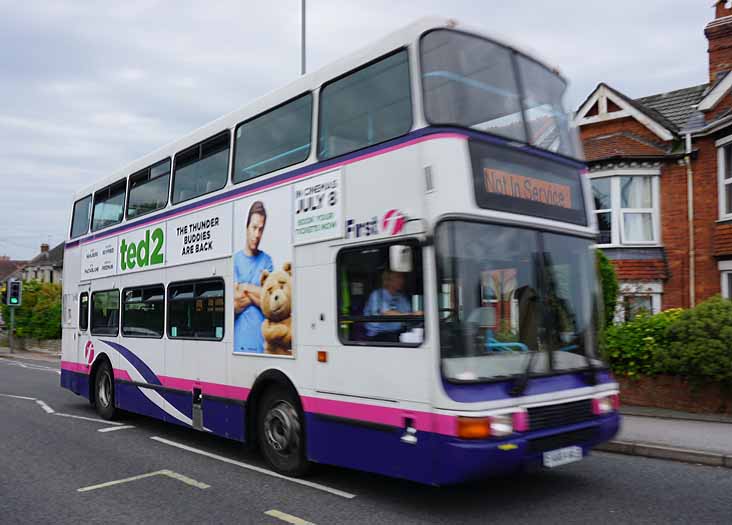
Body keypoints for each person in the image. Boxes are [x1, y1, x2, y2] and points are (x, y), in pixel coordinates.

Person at [233, 201, 273, 353]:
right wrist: (259, 293)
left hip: (262, 348)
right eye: (254, 228)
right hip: (238, 347)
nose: (257, 235)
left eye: (261, 229)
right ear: (247, 227)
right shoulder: (234, 260)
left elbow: (269, 304)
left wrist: (244, 287)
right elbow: (234, 304)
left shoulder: (267, 261)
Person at [363, 270, 417, 342]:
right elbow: (387, 313)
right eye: (398, 277)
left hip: (397, 333)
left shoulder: (401, 297)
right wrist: (412, 315)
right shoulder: (377, 295)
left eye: (402, 278)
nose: (402, 280)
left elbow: (408, 312)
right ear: (388, 280)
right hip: (379, 336)